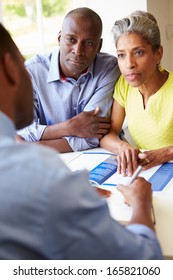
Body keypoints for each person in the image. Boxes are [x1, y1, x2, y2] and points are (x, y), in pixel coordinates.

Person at [0, 23, 162, 260]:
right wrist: (140, 202)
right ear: (11, 69)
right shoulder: (39, 174)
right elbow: (143, 261)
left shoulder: (109, 70)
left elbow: (95, 131)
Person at [16, 7, 120, 153]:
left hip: (98, 157)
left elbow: (94, 134)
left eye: (89, 43)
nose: (78, 51)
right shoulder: (32, 72)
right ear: (59, 38)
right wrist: (70, 126)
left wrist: (36, 147)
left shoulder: (109, 68)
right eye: (71, 39)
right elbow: (22, 130)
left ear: (99, 46)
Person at [100, 10, 173, 177]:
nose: (129, 64)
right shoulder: (124, 85)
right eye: (121, 55)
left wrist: (166, 153)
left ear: (158, 54)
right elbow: (108, 134)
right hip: (148, 174)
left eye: (138, 52)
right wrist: (122, 147)